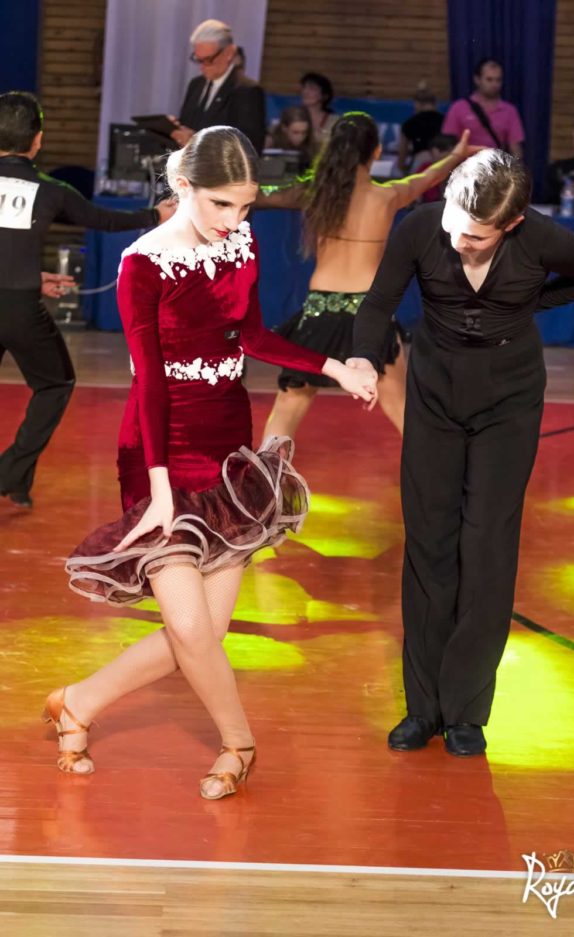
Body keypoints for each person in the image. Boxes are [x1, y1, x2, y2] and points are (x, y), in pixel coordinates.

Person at [54, 127, 376, 801]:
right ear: (183, 187)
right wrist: (160, 491)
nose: (235, 219)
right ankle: (239, 743)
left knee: (203, 633)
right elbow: (149, 384)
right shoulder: (143, 264)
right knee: (191, 626)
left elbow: (251, 335)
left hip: (227, 445)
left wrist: (334, 367)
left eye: (246, 205)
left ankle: (77, 702)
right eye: (222, 203)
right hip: (158, 451)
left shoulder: (240, 243)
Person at [349, 149, 574, 757]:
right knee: (429, 540)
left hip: (509, 400)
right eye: (455, 224)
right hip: (434, 394)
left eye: (475, 235)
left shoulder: (540, 238)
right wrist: (362, 356)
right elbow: (379, 302)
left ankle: (466, 711)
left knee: (487, 543)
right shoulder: (421, 228)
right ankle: (423, 708)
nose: (458, 240)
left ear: (511, 224)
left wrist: (529, 304)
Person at [256, 113, 479, 439]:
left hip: (319, 314)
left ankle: (265, 471)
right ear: (376, 151)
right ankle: (440, 471)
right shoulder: (387, 196)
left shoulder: (316, 194)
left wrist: (204, 182)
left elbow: (260, 193)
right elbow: (428, 177)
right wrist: (456, 155)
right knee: (401, 406)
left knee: (288, 407)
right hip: (370, 317)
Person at [0, 91, 173, 510]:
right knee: (55, 383)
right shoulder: (49, 190)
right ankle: (10, 473)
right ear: (37, 140)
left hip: (17, 291)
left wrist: (31, 276)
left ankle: (15, 478)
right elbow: (102, 220)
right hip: (18, 309)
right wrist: (155, 216)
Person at [171, 20, 266, 154]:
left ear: (229, 53)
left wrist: (197, 141)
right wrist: (174, 128)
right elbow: (189, 126)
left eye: (209, 60)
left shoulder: (246, 91)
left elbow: (249, 147)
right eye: (198, 60)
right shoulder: (196, 85)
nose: (203, 67)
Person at [443, 58, 524, 159]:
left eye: (498, 80)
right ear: (477, 80)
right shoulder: (458, 108)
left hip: (495, 165)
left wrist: (514, 167)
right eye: (489, 79)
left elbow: (515, 149)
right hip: (466, 165)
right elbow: (447, 146)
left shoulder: (509, 111)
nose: (494, 85)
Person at [397, 88, 444, 173]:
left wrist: (402, 167)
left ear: (417, 103)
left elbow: (403, 151)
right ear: (435, 103)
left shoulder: (409, 123)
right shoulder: (445, 121)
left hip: (420, 161)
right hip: (440, 162)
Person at [265, 105, 316, 172]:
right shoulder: (270, 144)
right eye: (295, 132)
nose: (300, 137)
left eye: (304, 132)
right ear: (284, 128)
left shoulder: (313, 147)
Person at [300, 72, 339, 148]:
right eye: (304, 87)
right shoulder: (293, 117)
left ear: (324, 95)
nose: (305, 92)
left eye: (312, 89)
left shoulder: (335, 121)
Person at [416, 134, 459, 203]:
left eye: (449, 150)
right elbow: (416, 196)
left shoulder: (462, 169)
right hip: (428, 206)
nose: (445, 154)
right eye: (442, 150)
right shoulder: (424, 169)